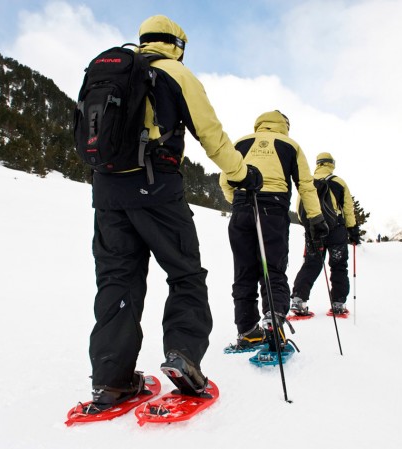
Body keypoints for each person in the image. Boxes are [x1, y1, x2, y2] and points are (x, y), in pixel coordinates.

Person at [85, 15, 263, 413]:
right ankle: (184, 356)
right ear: (177, 43)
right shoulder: (175, 73)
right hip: (158, 190)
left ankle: (111, 381)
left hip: (107, 193)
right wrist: (240, 174)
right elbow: (211, 136)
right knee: (185, 274)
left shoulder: (110, 71)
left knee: (117, 280)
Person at [219, 111, 327, 351]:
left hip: (242, 208)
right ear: (284, 126)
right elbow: (305, 185)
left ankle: (247, 331)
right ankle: (274, 321)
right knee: (273, 269)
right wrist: (316, 218)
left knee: (244, 270)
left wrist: (236, 203)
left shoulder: (241, 142)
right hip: (272, 211)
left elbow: (225, 180)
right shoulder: (291, 145)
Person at [291, 152, 360, 316]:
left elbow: (300, 210)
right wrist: (352, 230)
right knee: (338, 266)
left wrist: (308, 227)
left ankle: (298, 300)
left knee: (311, 264)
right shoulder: (338, 182)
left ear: (318, 163)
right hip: (336, 231)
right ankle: (338, 303)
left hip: (315, 231)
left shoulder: (307, 181)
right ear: (331, 164)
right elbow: (348, 209)